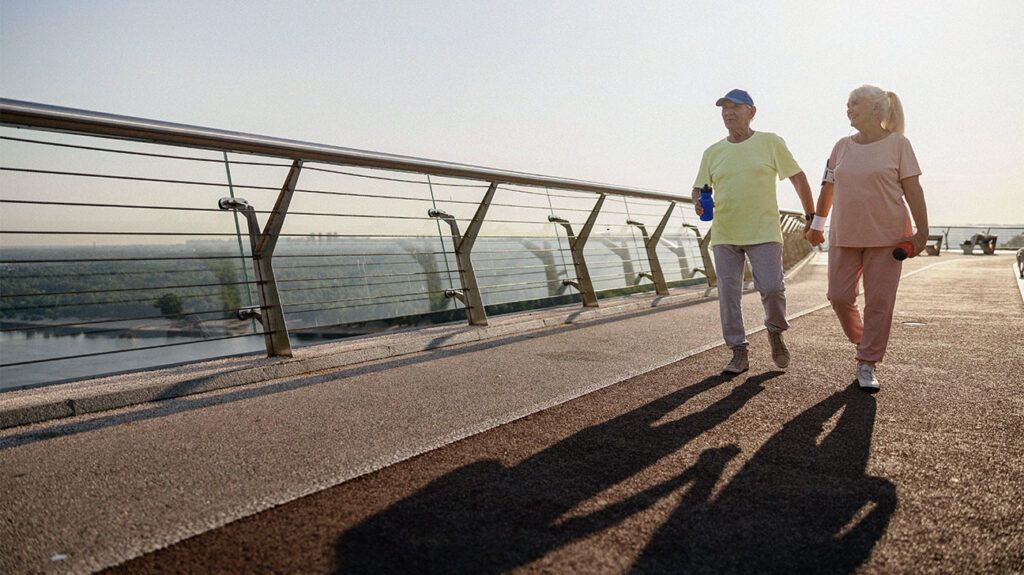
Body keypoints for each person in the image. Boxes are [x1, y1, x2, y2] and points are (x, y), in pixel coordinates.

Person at [804, 85, 929, 391]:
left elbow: (913, 190)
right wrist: (817, 225)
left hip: (888, 236)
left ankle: (867, 362)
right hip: (845, 233)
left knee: (879, 302)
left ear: (876, 109)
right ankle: (864, 338)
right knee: (839, 296)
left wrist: (922, 232)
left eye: (854, 104)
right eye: (847, 104)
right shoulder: (841, 146)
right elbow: (827, 188)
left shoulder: (899, 144)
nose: (849, 109)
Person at [693, 89, 816, 374]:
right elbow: (699, 187)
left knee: (772, 288)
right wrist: (698, 203)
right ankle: (738, 350)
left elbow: (798, 178)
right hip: (725, 232)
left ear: (752, 111)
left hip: (764, 230)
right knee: (728, 294)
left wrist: (811, 216)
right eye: (724, 108)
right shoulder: (712, 152)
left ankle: (775, 330)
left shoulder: (770, 142)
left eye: (735, 107)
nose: (728, 113)